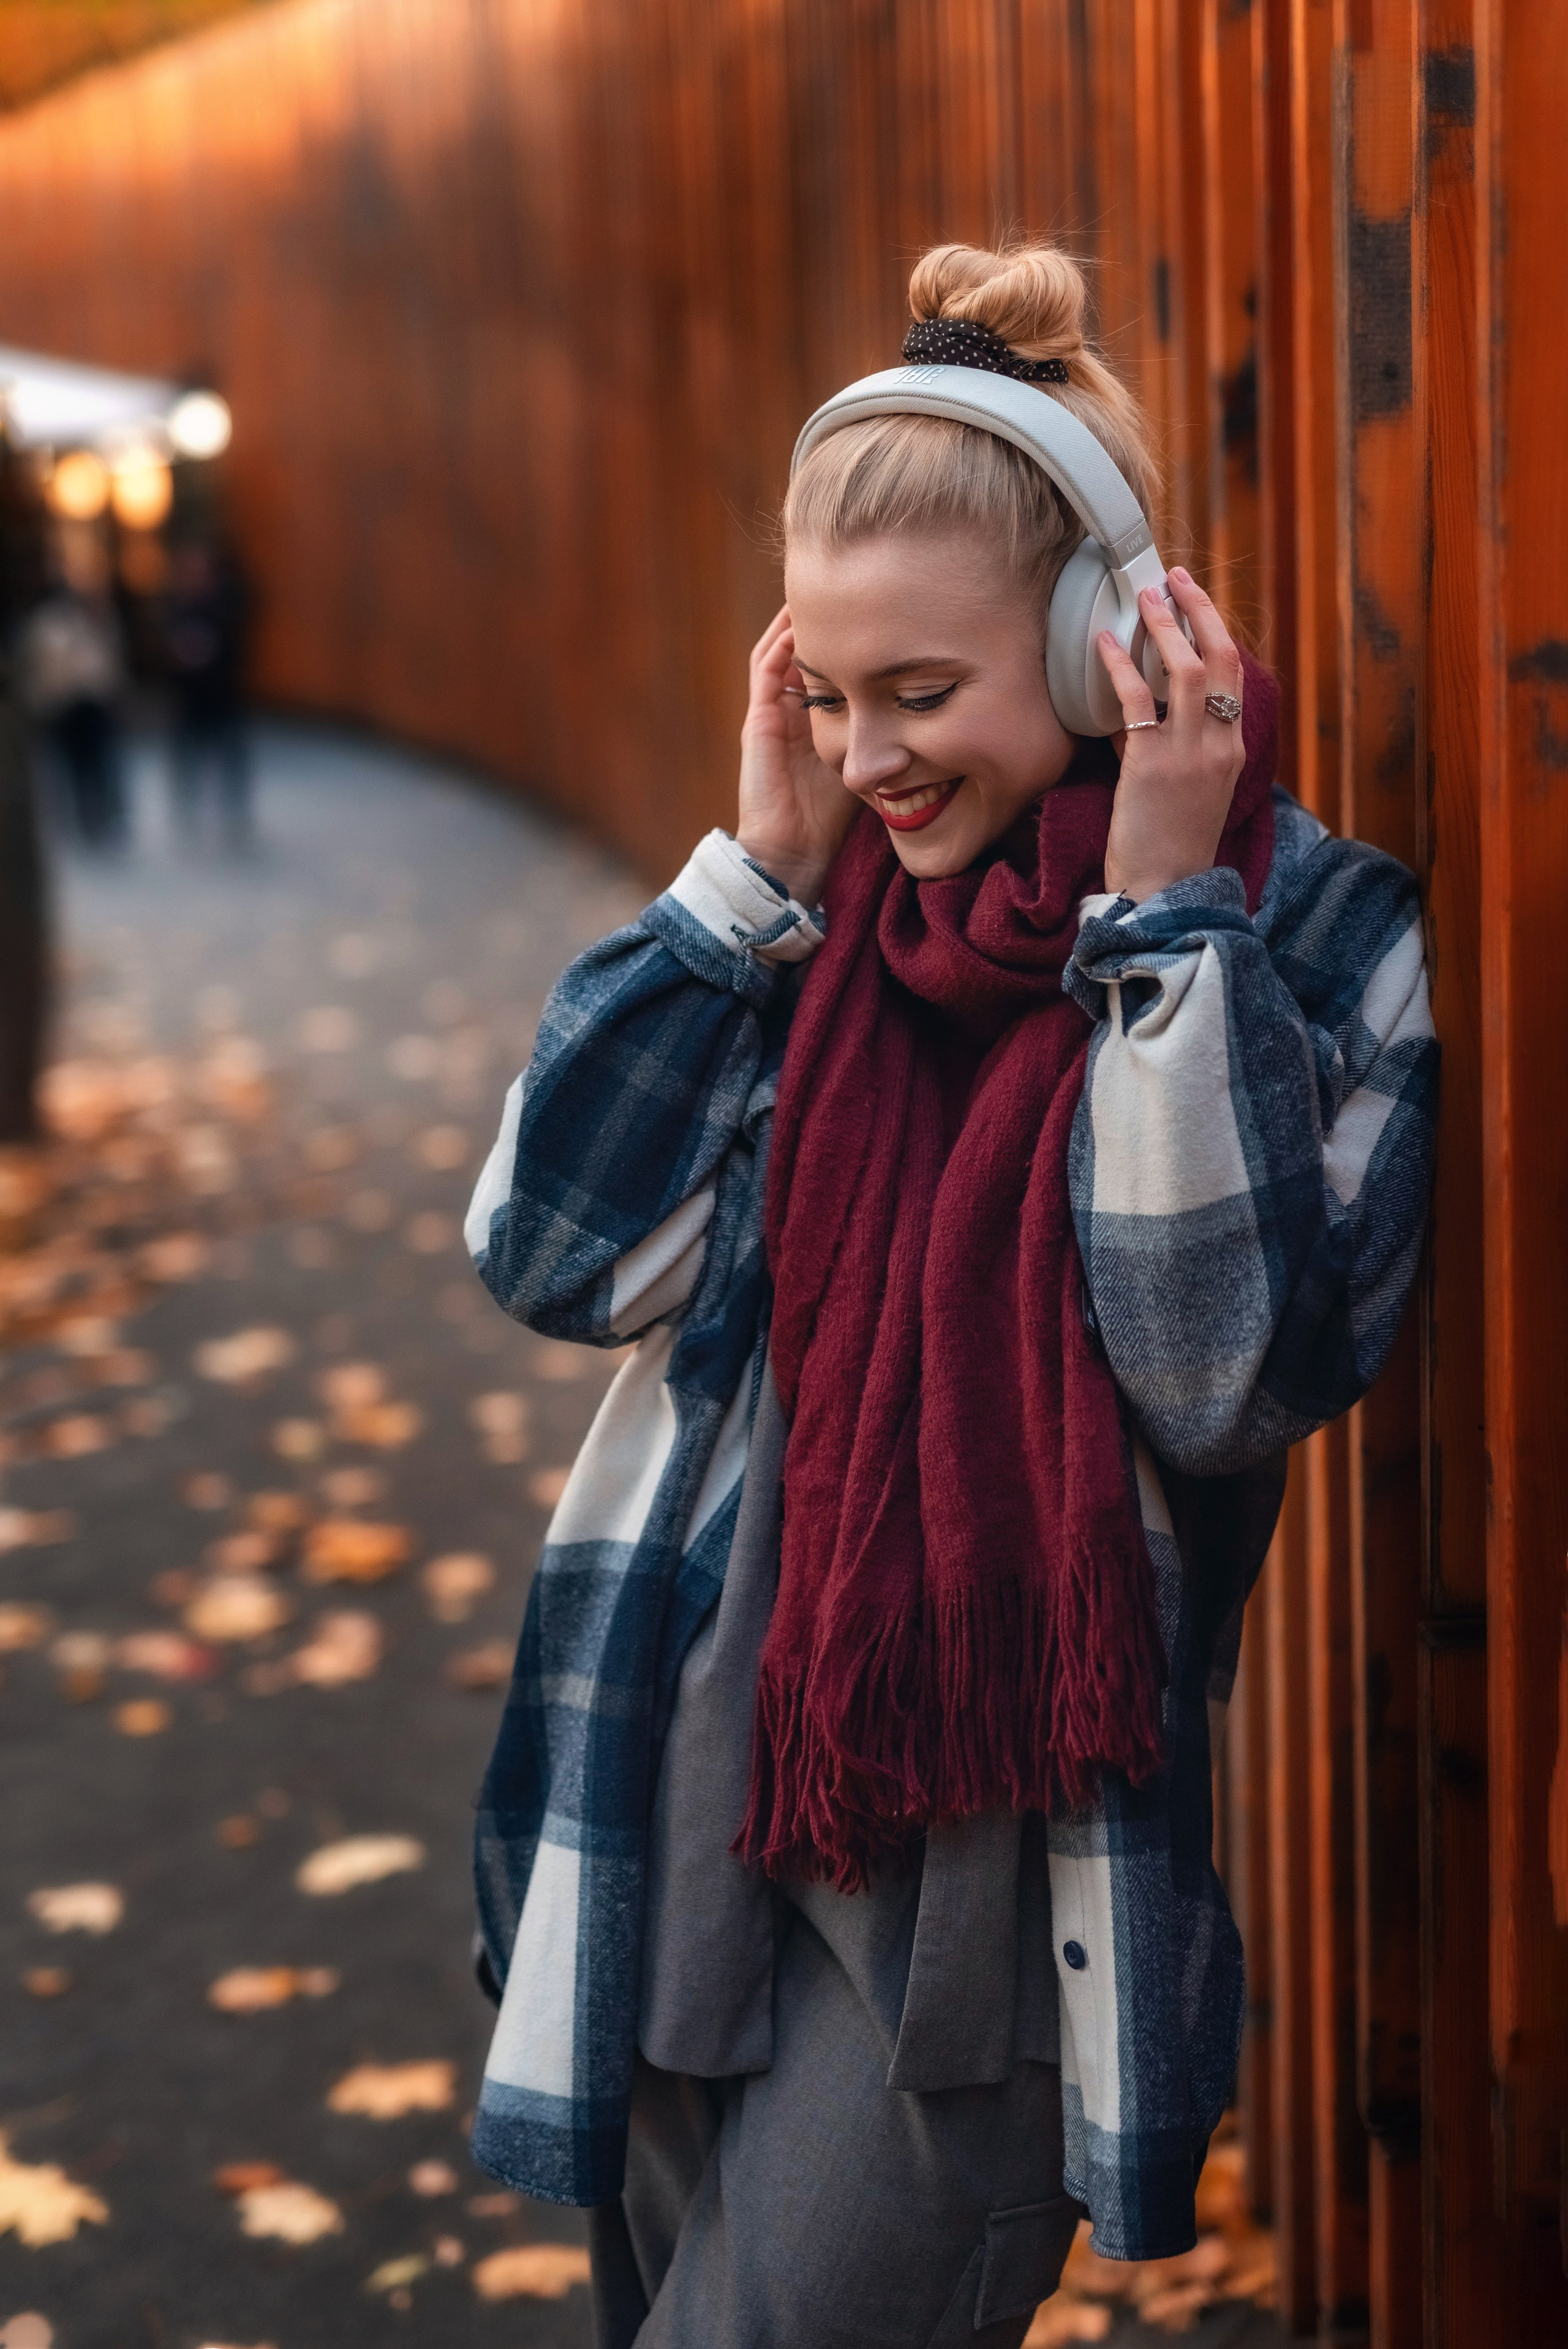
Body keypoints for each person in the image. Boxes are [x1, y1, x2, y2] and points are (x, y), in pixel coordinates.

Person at [462, 241, 1437, 2347]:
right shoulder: (807, 938)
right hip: (685, 1766)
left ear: (1106, 654)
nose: (875, 758)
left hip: (986, 1880)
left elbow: (1220, 1376)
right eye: (832, 689)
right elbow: (547, 1252)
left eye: (924, 694)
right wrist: (744, 881)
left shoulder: (1307, 939)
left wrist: (1162, 927)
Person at [18, 533, 127, 848]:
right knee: (69, 768)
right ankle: (79, 820)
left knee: (99, 765)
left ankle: (100, 819)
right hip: (63, 703)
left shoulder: (103, 614)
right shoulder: (48, 619)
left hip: (94, 701)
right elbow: (41, 663)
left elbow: (111, 660)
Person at [161, 538, 252, 848]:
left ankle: (233, 820)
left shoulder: (223, 605)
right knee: (187, 761)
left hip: (222, 697)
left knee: (229, 760)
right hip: (189, 700)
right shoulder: (178, 605)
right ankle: (189, 816)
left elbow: (236, 646)